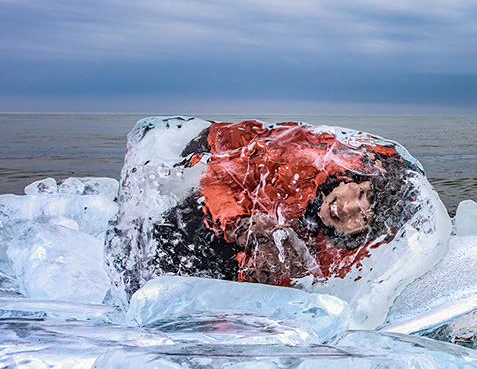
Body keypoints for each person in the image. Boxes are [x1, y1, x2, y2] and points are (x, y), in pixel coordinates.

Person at [153, 120, 416, 286]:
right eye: (359, 194)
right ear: (353, 179)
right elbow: (216, 176)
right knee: (193, 230)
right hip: (214, 151)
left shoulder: (341, 255)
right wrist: (240, 225)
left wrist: (267, 274)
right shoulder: (302, 164)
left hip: (235, 249)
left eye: (363, 218)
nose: (346, 209)